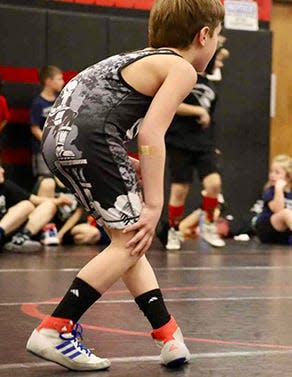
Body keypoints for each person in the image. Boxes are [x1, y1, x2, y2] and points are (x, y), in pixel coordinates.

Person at [26, 0, 225, 371]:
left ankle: (168, 335)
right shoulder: (181, 68)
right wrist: (154, 204)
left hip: (59, 137)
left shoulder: (138, 58)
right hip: (90, 139)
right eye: (218, 39)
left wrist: (122, 160)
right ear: (204, 36)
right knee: (135, 233)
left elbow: (98, 109)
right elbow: (151, 133)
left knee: (127, 240)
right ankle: (56, 327)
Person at [164, 44, 230, 250]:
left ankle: (209, 225)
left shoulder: (211, 86)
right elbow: (171, 103)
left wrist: (212, 144)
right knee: (180, 188)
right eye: (218, 59)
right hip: (179, 141)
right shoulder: (184, 76)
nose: (220, 64)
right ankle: (173, 230)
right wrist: (197, 111)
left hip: (204, 144)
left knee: (213, 184)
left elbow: (211, 118)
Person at [0, 165, 71, 252]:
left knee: (38, 205)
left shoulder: (6, 185)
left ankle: (20, 238)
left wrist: (57, 201)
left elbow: (33, 199)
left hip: (8, 231)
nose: (3, 170)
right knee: (27, 205)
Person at [30, 65, 64, 180]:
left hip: (59, 150)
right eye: (59, 79)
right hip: (42, 150)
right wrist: (49, 142)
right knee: (45, 180)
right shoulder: (38, 103)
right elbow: (34, 128)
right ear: (49, 81)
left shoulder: (61, 100)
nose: (62, 82)